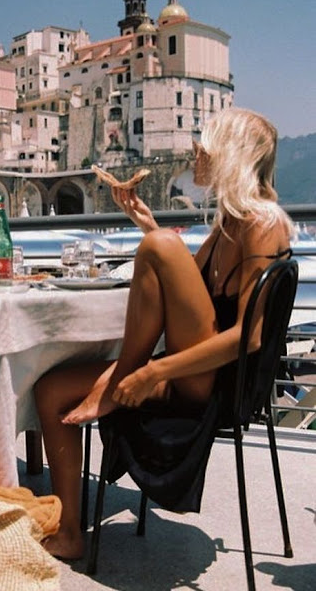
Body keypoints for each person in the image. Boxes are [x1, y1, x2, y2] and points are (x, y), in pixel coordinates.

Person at [34, 107, 294, 560]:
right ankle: (70, 530)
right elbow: (186, 290)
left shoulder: (263, 223)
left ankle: (120, 378)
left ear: (229, 154)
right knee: (51, 389)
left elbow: (248, 338)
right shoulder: (230, 222)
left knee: (162, 244)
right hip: (189, 368)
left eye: (203, 145)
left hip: (216, 382)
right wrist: (147, 224)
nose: (195, 153)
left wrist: (152, 373)